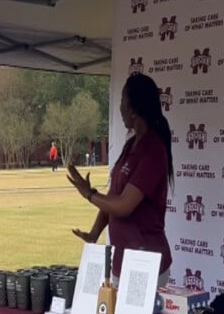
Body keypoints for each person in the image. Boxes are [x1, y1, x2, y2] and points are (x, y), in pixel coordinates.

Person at [67, 73, 173, 286]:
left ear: (133, 110)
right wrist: (94, 233)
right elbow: (113, 200)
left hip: (144, 263)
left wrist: (89, 194)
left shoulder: (152, 150)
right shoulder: (131, 145)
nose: (120, 107)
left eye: (122, 101)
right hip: (122, 262)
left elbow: (124, 206)